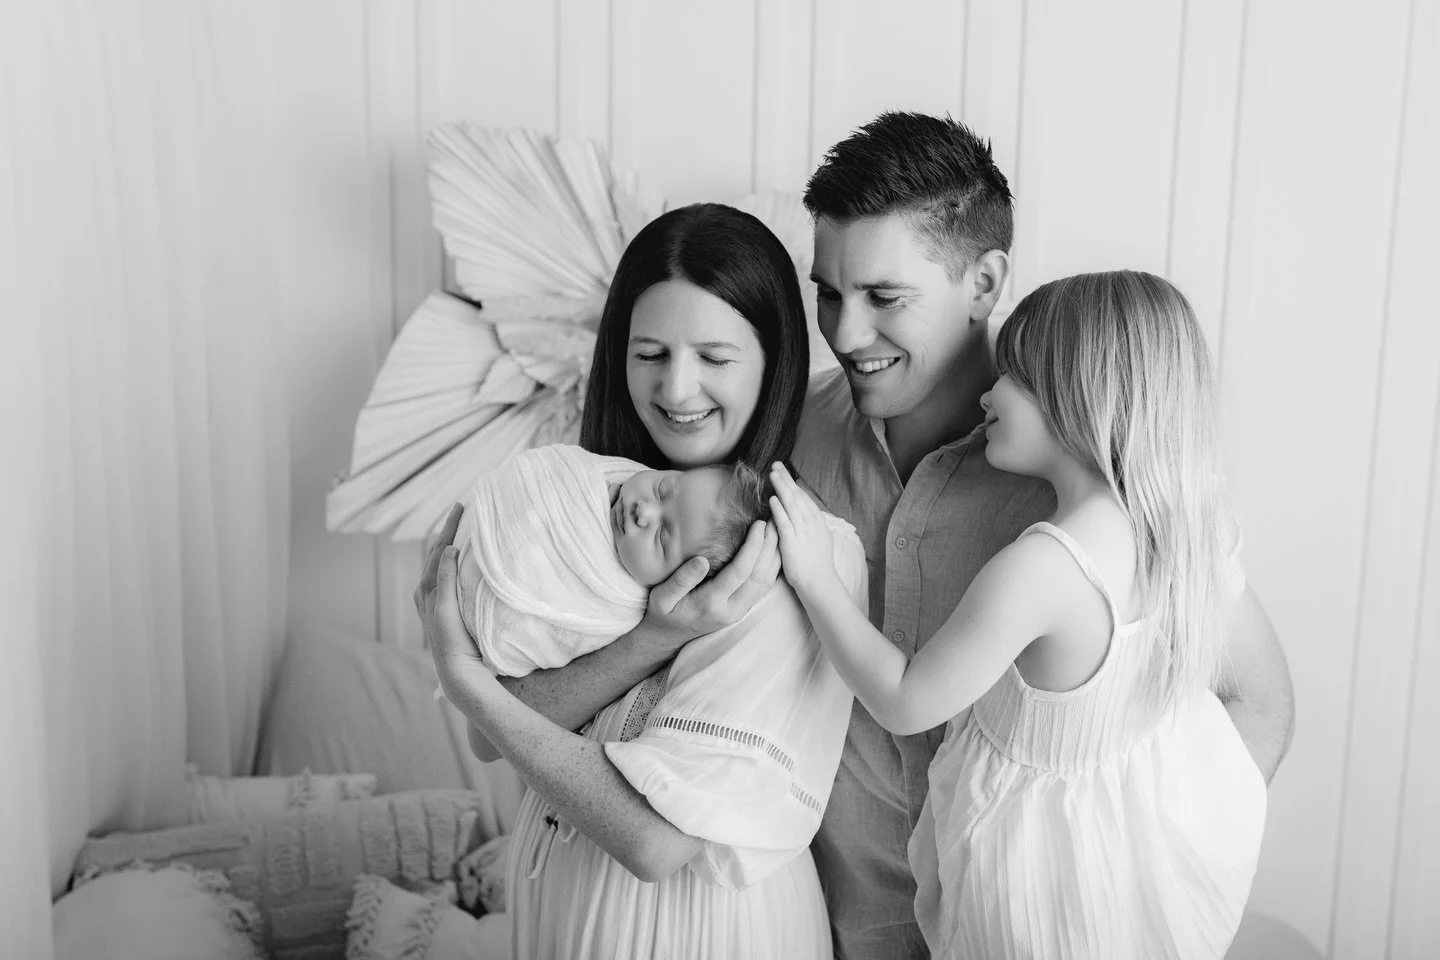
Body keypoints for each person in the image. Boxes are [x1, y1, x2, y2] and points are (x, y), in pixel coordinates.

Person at [790, 111, 1295, 959]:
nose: (842, 333)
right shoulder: (794, 434)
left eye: (884, 297)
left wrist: (1139, 883)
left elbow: (1257, 697)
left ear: (984, 282)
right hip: (833, 922)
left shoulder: (1101, 490)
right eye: (829, 292)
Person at [416, 202, 868, 959]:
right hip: (560, 914)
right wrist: (656, 635)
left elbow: (656, 840)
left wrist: (468, 682)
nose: (677, 389)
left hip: (694, 933)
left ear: (773, 363)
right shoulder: (589, 514)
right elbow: (498, 734)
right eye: (650, 353)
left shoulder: (796, 558)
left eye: (716, 358)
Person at [451, 443, 764, 677]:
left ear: (680, 581)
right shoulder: (605, 474)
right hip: (470, 533)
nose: (644, 511)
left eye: (662, 537)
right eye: (662, 488)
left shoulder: (618, 606)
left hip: (475, 605)